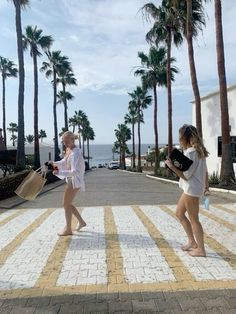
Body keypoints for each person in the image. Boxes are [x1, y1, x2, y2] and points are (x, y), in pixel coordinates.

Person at [165, 124, 209, 257]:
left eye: (180, 136)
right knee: (179, 213)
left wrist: (171, 166)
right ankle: (192, 241)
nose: (179, 139)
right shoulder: (199, 150)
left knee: (194, 219)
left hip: (191, 189)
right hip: (193, 188)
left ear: (185, 137)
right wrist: (206, 187)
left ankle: (200, 249)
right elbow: (205, 172)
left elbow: (186, 175)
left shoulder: (191, 152)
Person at [48, 131, 86, 236]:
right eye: (63, 142)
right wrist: (52, 164)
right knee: (67, 204)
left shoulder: (76, 153)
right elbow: (64, 162)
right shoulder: (69, 150)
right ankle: (81, 222)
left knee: (66, 204)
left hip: (74, 181)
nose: (65, 144)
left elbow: (75, 172)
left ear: (72, 140)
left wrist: (59, 171)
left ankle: (68, 229)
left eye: (66, 141)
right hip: (70, 180)